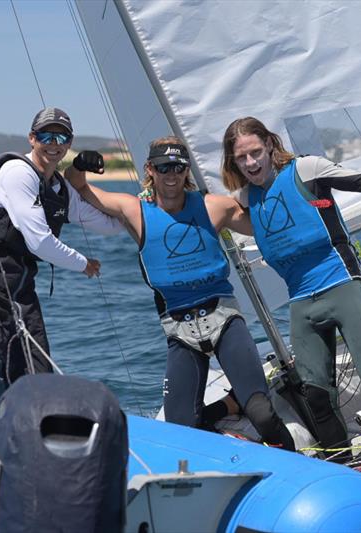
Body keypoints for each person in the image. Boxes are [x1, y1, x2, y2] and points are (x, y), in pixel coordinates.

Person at [220, 116, 361, 452]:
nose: (251, 163)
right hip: (302, 301)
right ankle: (346, 463)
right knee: (316, 396)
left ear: (269, 144)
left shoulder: (306, 170)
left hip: (341, 282)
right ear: (233, 161)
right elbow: (205, 211)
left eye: (255, 152)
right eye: (242, 157)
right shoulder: (247, 200)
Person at [68, 136, 295, 452]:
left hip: (223, 318)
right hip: (179, 330)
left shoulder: (212, 206)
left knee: (261, 411)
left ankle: (294, 461)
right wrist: (80, 164)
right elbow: (78, 186)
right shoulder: (133, 210)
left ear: (186, 170)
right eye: (164, 168)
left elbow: (266, 223)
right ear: (150, 169)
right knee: (179, 432)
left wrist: (272, 173)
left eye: (177, 167)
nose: (171, 175)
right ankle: (228, 416)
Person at [0, 107, 122, 501]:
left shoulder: (59, 188)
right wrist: (84, 264)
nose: (54, 145)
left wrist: (140, 212)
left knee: (37, 379)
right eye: (47, 136)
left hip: (19, 288)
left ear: (69, 144)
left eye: (62, 138)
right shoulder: (16, 174)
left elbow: (100, 221)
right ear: (32, 139)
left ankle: (29, 462)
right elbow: (39, 240)